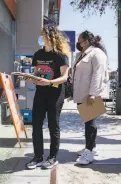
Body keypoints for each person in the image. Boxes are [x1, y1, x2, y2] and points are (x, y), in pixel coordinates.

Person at [25, 25, 70, 170]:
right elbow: (37, 73)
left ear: (50, 36)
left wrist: (49, 82)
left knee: (53, 125)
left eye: (42, 35)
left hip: (55, 93)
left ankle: (52, 157)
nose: (40, 37)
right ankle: (38, 156)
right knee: (36, 124)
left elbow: (64, 77)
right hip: (40, 92)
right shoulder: (38, 54)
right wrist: (31, 78)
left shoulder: (61, 56)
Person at [72, 30, 108, 165]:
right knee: (87, 122)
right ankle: (91, 147)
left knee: (90, 123)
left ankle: (90, 151)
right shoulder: (81, 55)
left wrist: (93, 93)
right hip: (81, 94)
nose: (78, 43)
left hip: (90, 95)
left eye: (79, 40)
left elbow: (98, 75)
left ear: (86, 41)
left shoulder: (97, 54)